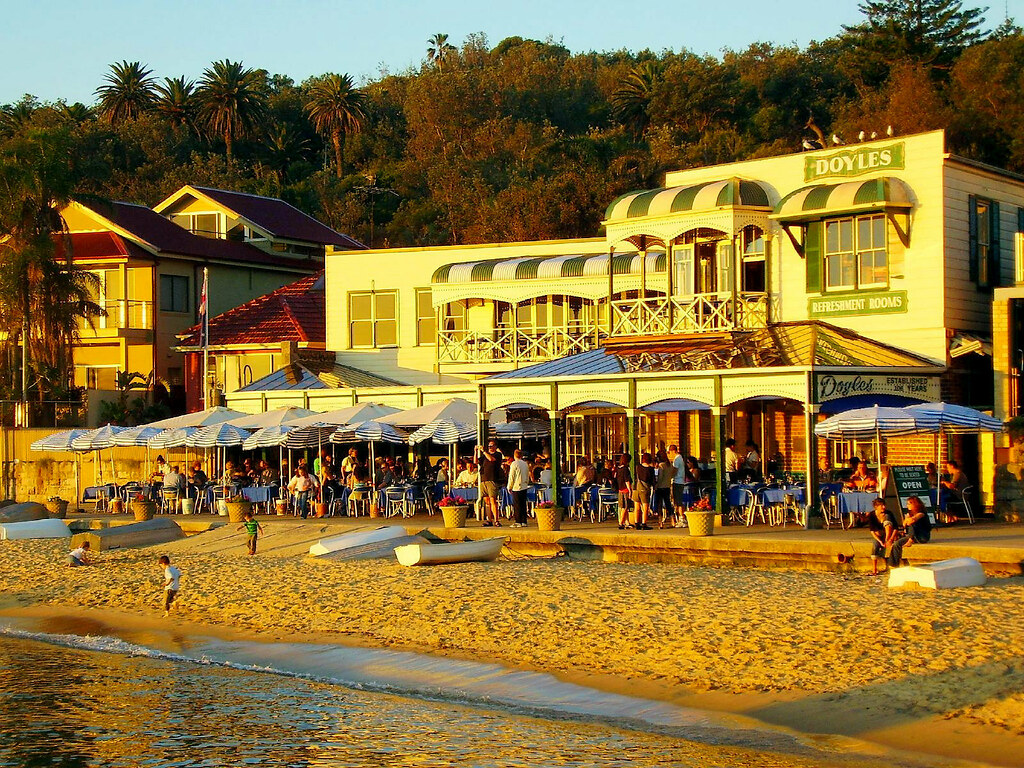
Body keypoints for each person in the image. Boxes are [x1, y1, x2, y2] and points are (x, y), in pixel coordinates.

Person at [889, 495, 932, 565]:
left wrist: (908, 519)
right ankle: (893, 564)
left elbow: (912, 521)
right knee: (896, 544)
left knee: (912, 523)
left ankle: (910, 540)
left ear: (915, 504)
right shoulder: (910, 514)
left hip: (922, 536)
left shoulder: (921, 513)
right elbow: (904, 524)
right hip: (912, 535)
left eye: (909, 503)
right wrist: (907, 519)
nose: (907, 505)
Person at [867, 498, 899, 574]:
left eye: (884, 505)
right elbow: (873, 532)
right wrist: (880, 541)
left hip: (889, 534)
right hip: (879, 536)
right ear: (876, 507)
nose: (884, 507)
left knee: (887, 518)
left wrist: (890, 539)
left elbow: (895, 528)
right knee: (875, 545)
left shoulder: (888, 513)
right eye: (881, 505)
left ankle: (887, 539)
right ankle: (874, 568)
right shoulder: (872, 515)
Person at [477, 441, 504, 527]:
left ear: (495, 446)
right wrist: (475, 451)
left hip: (492, 479)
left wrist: (484, 451)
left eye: (491, 446)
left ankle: (496, 520)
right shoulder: (485, 456)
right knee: (487, 501)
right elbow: (476, 462)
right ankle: (489, 519)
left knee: (493, 500)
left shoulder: (497, 455)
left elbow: (491, 459)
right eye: (489, 446)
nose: (490, 448)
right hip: (484, 479)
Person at [506, 448, 530, 528]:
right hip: (524, 485)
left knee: (517, 505)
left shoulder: (514, 464)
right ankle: (524, 521)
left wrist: (509, 486)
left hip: (516, 486)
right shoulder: (525, 464)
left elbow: (512, 476)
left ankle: (518, 521)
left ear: (514, 455)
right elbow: (527, 474)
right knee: (523, 504)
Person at [654, 450, 676, 528]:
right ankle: (672, 520)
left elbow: (660, 477)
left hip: (660, 487)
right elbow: (674, 472)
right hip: (667, 486)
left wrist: (656, 485)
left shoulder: (661, 466)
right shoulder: (669, 465)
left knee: (659, 505)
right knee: (668, 504)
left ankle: (660, 522)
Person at [632, 453, 654, 530]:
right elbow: (652, 480)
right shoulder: (650, 469)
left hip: (636, 488)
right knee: (645, 507)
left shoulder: (638, 467)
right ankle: (644, 523)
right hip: (645, 489)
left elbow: (634, 476)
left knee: (637, 507)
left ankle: (636, 523)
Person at [615, 453, 633, 530]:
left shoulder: (618, 468)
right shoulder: (625, 469)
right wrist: (630, 490)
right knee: (625, 507)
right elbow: (627, 480)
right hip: (625, 489)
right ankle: (621, 522)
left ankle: (627, 522)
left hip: (620, 489)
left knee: (622, 506)